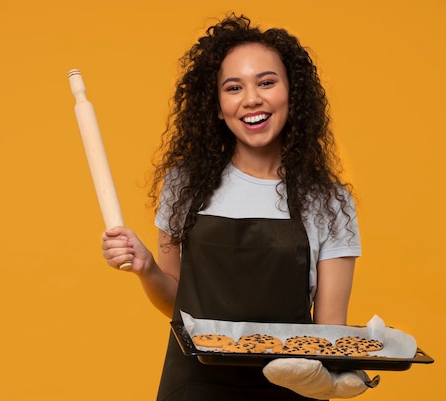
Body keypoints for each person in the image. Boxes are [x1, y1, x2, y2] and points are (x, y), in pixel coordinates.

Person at [101, 14, 375, 400]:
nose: (251, 99)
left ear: (292, 93)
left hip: (289, 389)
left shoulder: (329, 201)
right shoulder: (185, 185)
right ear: (216, 105)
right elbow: (176, 305)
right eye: (234, 87)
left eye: (266, 82)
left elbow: (328, 335)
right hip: (194, 385)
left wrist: (340, 378)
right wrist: (145, 268)